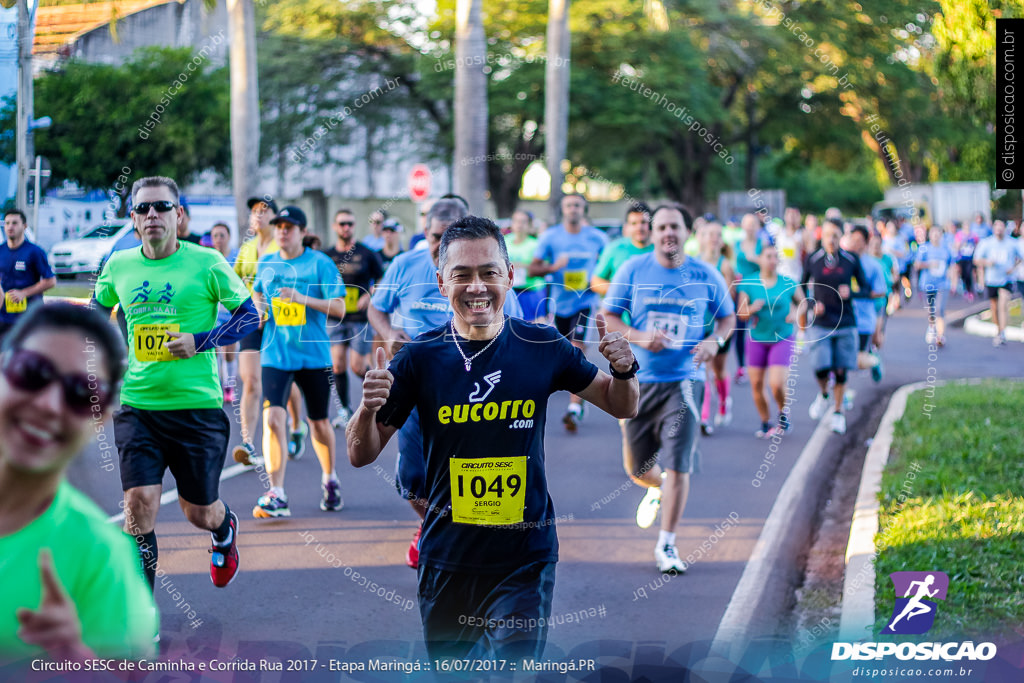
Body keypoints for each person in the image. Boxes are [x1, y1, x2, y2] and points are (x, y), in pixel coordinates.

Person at [348, 216, 638, 660]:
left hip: (524, 556)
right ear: (442, 284)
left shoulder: (542, 345)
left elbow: (622, 404)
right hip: (448, 556)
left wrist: (623, 370)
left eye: (489, 273)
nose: (477, 286)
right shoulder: (419, 358)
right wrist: (367, 408)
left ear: (510, 277)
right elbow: (359, 454)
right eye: (462, 275)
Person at [93, 176, 259, 590]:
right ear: (133, 219)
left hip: (196, 409)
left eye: (162, 207)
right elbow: (97, 313)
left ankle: (224, 531)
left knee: (197, 511)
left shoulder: (206, 262)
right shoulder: (119, 265)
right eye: (144, 208)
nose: (153, 215)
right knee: (139, 506)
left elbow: (250, 317)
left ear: (179, 215)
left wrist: (199, 341)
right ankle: (140, 611)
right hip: (138, 407)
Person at [368, 199, 522, 570]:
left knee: (474, 474)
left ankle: (470, 539)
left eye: (450, 236)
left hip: (471, 390)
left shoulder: (486, 278)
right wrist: (389, 334)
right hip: (415, 388)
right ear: (426, 234)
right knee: (414, 478)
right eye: (436, 237)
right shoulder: (406, 266)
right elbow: (375, 307)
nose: (441, 245)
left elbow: (514, 331)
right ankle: (429, 523)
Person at [0, 303, 158, 662]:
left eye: (79, 393)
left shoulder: (103, 560)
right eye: (32, 371)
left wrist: (77, 661)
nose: (49, 405)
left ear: (100, 419)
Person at [602, 205, 733, 574]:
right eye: (660, 227)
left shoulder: (706, 275)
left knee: (678, 465)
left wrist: (715, 343)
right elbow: (609, 316)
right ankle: (654, 488)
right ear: (652, 232)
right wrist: (643, 337)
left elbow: (727, 318)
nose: (667, 233)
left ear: (687, 231)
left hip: (686, 381)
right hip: (639, 382)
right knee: (638, 469)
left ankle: (668, 545)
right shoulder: (633, 270)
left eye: (674, 226)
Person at [250, 206, 347, 517]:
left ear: (303, 232)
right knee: (272, 418)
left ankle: (330, 478)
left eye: (289, 227)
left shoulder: (321, 264)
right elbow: (257, 297)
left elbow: (340, 308)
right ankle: (276, 492)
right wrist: (260, 307)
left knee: (318, 422)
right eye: (279, 226)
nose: (282, 231)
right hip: (276, 353)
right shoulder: (266, 262)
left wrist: (301, 298)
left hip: (314, 353)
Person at [231, 198, 306, 465]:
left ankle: (297, 425)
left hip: (281, 321)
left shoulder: (282, 246)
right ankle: (248, 443)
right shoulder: (248, 248)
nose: (258, 216)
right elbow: (235, 279)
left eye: (264, 211)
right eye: (254, 211)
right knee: (251, 381)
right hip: (252, 320)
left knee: (288, 379)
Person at [529, 194, 609, 432]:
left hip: (584, 302)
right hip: (558, 304)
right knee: (563, 351)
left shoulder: (598, 238)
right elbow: (534, 268)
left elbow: (609, 268)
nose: (573, 209)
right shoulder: (550, 237)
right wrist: (553, 267)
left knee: (577, 348)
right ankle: (576, 391)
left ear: (584, 209)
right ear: (563, 209)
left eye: (577, 205)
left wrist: (598, 282)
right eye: (568, 205)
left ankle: (575, 406)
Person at [802, 219, 870, 435]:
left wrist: (853, 293)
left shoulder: (851, 259)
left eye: (835, 235)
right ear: (821, 236)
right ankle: (824, 395)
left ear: (841, 237)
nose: (831, 240)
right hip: (821, 324)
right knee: (821, 367)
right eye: (828, 235)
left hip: (845, 321)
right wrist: (812, 303)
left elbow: (866, 287)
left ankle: (838, 412)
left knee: (841, 369)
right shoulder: (813, 259)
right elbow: (801, 286)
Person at [736, 242, 806, 438]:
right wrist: (752, 308)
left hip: (782, 337)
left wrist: (795, 313)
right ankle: (766, 422)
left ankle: (783, 413)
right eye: (768, 256)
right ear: (760, 259)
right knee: (756, 385)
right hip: (757, 338)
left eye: (776, 257)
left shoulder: (788, 282)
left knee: (776, 383)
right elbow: (741, 313)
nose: (773, 261)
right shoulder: (748, 283)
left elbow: (803, 303)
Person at [322, 208, 384, 428]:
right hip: (334, 317)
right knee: (337, 366)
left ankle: (380, 399)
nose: (345, 228)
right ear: (334, 227)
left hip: (359, 318)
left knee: (358, 367)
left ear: (354, 226)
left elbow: (381, 278)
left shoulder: (367, 253)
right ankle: (345, 410)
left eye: (349, 223)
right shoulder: (327, 255)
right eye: (341, 224)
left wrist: (369, 295)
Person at [696, 221, 736, 434]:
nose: (713, 238)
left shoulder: (725, 265)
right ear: (701, 238)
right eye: (709, 234)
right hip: (699, 326)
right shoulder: (693, 263)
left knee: (719, 371)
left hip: (719, 326)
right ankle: (704, 418)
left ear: (721, 241)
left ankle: (723, 402)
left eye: (717, 235)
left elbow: (729, 301)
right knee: (705, 369)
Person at [1, 210, 56, 341]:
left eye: (15, 223)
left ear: (24, 226)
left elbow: (50, 281)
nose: (10, 227)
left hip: (29, 317)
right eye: (7, 223)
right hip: (4, 317)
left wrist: (24, 293)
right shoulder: (1, 251)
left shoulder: (34, 252)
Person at [843, 225, 888, 381]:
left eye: (859, 240)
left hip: (864, 318)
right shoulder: (843, 262)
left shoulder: (873, 265)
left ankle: (874, 360)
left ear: (865, 242)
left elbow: (881, 291)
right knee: (843, 358)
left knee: (858, 361)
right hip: (844, 317)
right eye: (852, 239)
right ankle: (842, 394)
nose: (855, 243)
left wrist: (857, 294)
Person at [974, 220, 1022, 347]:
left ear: (1004, 228)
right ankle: (998, 330)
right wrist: (987, 262)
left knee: (1004, 303)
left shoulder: (1012, 242)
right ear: (994, 228)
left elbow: (1021, 257)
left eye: (1001, 226)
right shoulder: (987, 243)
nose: (999, 229)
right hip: (992, 279)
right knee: (994, 307)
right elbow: (976, 260)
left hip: (1007, 279)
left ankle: (1003, 332)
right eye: (997, 227)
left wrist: (1013, 268)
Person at [590, 202, 652, 297]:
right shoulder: (614, 249)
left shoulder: (660, 251)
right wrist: (623, 291)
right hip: (620, 311)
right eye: (634, 223)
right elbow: (596, 282)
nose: (639, 227)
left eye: (643, 222)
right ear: (627, 227)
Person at [210, 222, 240, 402]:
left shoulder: (237, 257)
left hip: (232, 311)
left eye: (222, 235)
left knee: (230, 351)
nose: (218, 239)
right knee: (214, 351)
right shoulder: (209, 258)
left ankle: (229, 386)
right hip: (213, 311)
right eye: (215, 236)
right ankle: (217, 386)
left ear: (228, 237)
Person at [732, 214, 763, 384]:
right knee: (740, 327)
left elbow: (769, 264)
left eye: (753, 224)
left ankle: (758, 365)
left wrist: (754, 258)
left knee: (759, 326)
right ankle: (741, 367)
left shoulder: (762, 244)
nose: (750, 227)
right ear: (742, 226)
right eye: (747, 224)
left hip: (758, 288)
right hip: (740, 289)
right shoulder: (736, 244)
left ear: (758, 226)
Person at [914, 226, 955, 347]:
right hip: (928, 283)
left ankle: (940, 335)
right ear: (930, 235)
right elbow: (917, 265)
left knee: (940, 309)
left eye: (938, 233)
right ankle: (932, 326)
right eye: (933, 233)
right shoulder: (924, 248)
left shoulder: (946, 248)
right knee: (931, 309)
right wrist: (929, 264)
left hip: (943, 284)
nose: (936, 236)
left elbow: (952, 265)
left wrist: (953, 280)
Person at [505, 209, 548, 323]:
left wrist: (523, 266)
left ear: (529, 225)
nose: (519, 225)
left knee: (535, 325)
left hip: (531, 290)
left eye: (523, 222)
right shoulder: (504, 242)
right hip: (511, 290)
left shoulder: (536, 244)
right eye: (516, 221)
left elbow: (543, 266)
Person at [954, 221, 978, 301]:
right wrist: (962, 243)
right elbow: (957, 246)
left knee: (969, 273)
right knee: (963, 274)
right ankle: (965, 290)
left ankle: (970, 290)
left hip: (970, 258)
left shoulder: (973, 235)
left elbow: (978, 244)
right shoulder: (959, 235)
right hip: (962, 258)